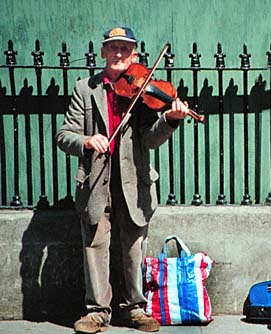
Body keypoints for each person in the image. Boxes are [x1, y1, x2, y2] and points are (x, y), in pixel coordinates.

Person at [56, 26, 190, 333]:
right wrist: (88, 140)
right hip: (95, 180)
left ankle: (134, 309)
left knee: (133, 248)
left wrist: (169, 120)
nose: (119, 54)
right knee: (95, 246)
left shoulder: (143, 93)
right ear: (103, 52)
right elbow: (64, 135)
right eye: (113, 48)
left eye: (125, 49)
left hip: (133, 181)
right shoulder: (85, 89)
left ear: (135, 55)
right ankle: (96, 312)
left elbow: (150, 140)